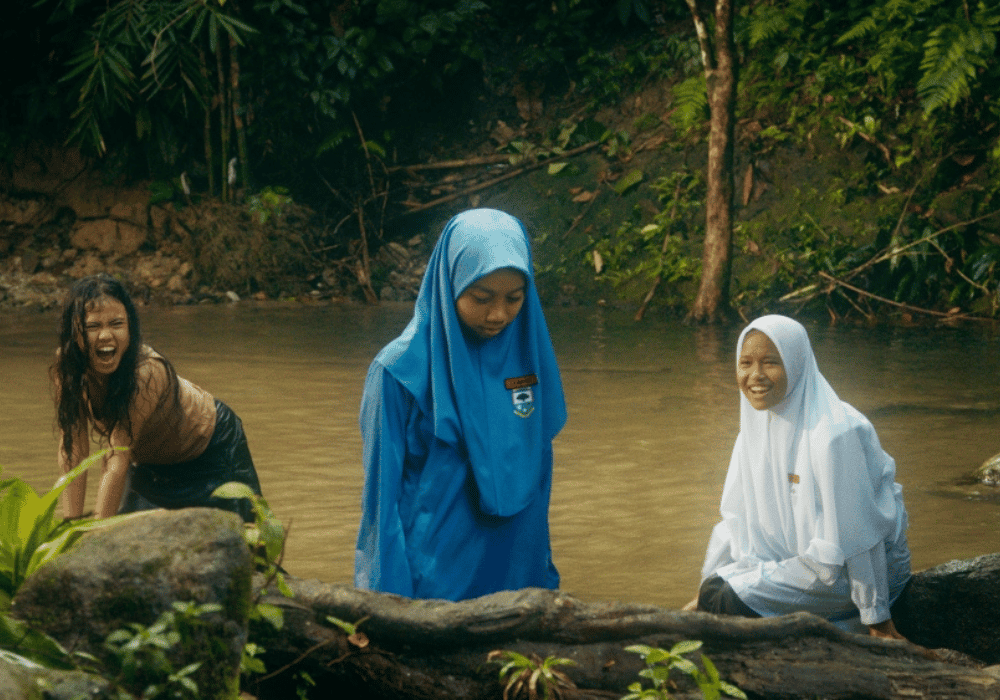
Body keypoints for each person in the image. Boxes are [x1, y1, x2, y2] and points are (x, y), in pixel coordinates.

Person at [354, 208, 566, 600]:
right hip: (436, 585)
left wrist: (544, 580)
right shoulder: (399, 373)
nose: (499, 314)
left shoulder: (529, 360)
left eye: (514, 298)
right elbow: (380, 503)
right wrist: (385, 605)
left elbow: (539, 481)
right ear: (448, 283)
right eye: (481, 297)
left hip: (518, 577)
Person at [689, 314, 912, 639]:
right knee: (715, 593)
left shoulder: (834, 434)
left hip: (846, 573)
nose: (755, 376)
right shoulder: (754, 430)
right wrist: (703, 593)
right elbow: (735, 520)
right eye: (746, 363)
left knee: (725, 600)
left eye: (770, 363)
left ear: (797, 363)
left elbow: (860, 536)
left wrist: (877, 619)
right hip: (799, 563)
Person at [53, 273, 262, 522]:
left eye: (116, 324)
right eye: (93, 326)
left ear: (130, 328)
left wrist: (96, 533)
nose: (106, 335)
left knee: (248, 548)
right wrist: (70, 527)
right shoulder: (67, 369)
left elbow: (116, 457)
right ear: (73, 332)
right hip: (148, 465)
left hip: (211, 452)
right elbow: (73, 450)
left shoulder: (145, 372)